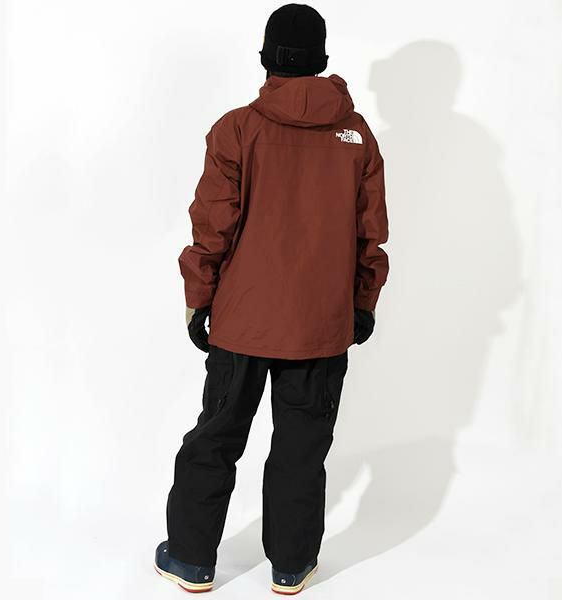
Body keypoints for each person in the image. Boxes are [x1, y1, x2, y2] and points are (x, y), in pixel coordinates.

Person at [154, 3, 389, 594]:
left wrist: (198, 297)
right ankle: (291, 564)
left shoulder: (237, 129)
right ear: (322, 60)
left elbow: (212, 225)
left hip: (243, 321)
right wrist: (363, 302)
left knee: (216, 436)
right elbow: (371, 234)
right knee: (302, 446)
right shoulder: (356, 136)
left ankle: (190, 559)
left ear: (266, 58)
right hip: (320, 325)